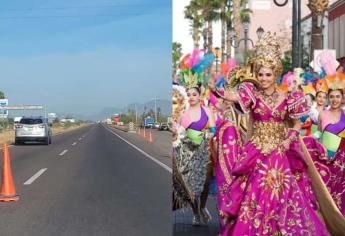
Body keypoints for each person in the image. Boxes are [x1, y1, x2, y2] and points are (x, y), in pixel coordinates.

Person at [216, 32, 330, 235]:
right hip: (257, 151)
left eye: (268, 74)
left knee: (283, 192)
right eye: (260, 74)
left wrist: (289, 140)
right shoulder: (252, 94)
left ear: (276, 74)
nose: (264, 78)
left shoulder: (289, 96)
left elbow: (296, 124)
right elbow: (234, 97)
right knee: (255, 192)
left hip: (280, 151)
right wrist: (220, 93)